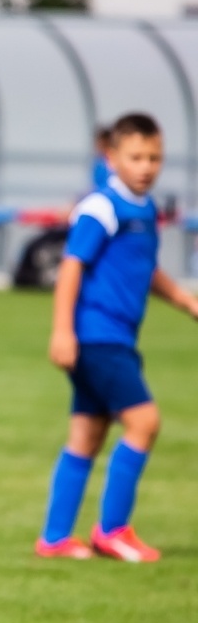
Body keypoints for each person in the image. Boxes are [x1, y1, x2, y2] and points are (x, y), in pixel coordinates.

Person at [36, 112, 198, 563]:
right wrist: (62, 331)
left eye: (155, 157)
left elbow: (144, 269)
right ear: (111, 158)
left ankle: (54, 538)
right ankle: (112, 531)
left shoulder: (145, 210)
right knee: (145, 423)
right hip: (97, 337)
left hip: (113, 338)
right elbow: (70, 268)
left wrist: (185, 302)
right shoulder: (101, 208)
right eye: (136, 156)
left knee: (86, 436)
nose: (146, 166)